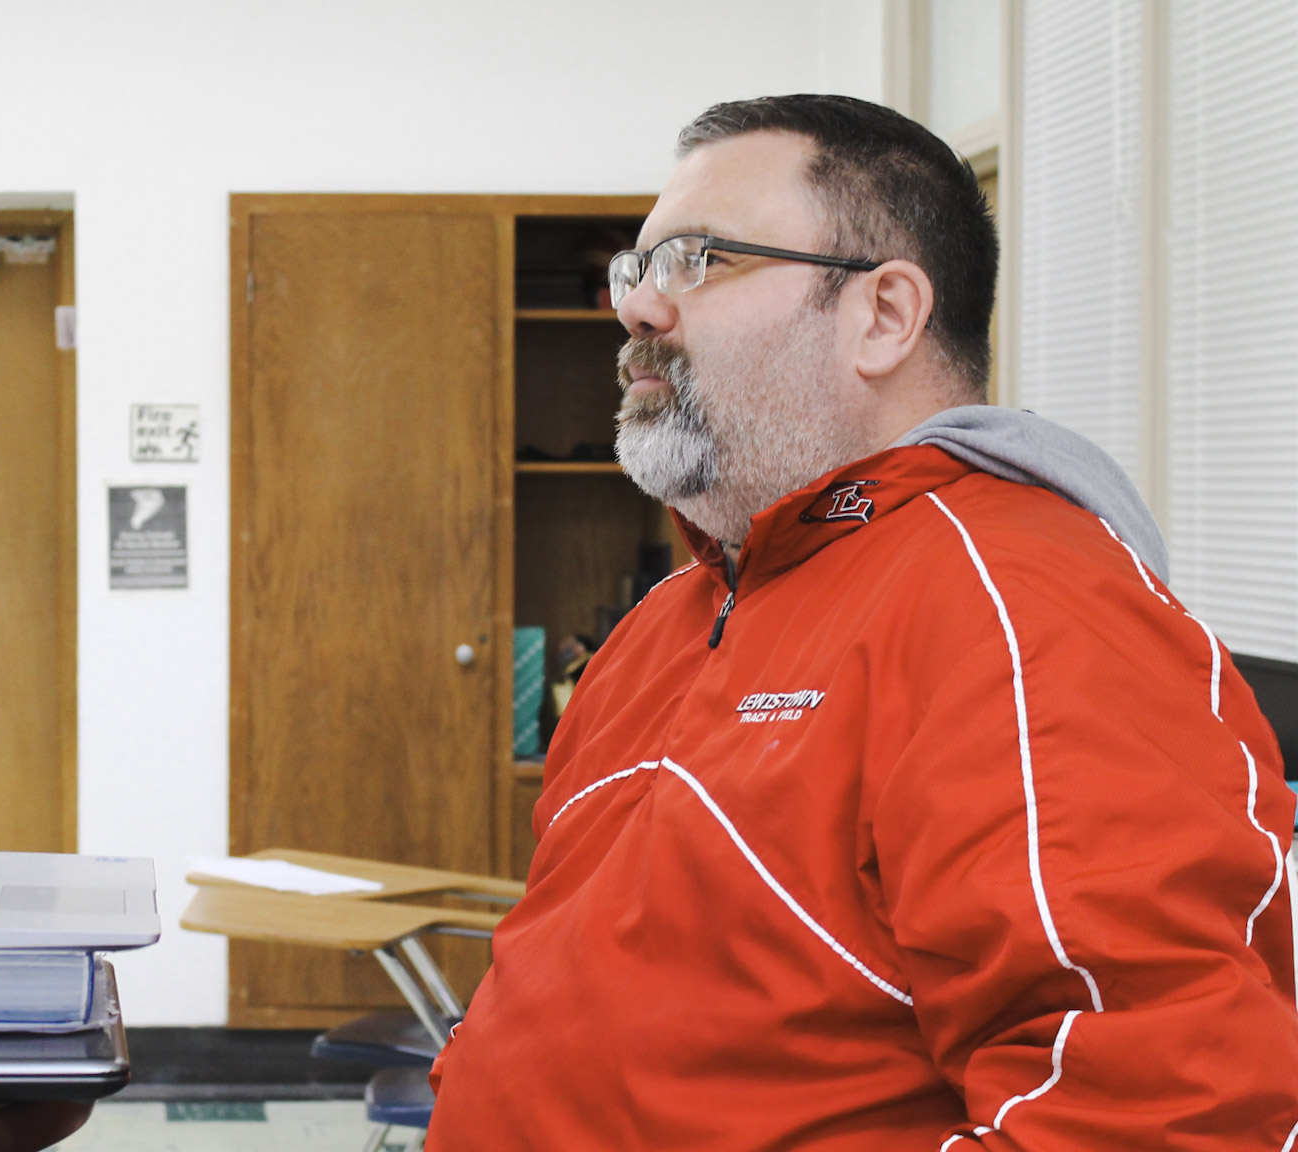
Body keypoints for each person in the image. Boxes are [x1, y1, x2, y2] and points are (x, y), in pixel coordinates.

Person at [426, 94, 1298, 1150]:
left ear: (882, 315)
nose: (639, 310)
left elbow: (1152, 1112)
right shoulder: (666, 622)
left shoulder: (1019, 610)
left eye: (696, 260)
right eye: (635, 271)